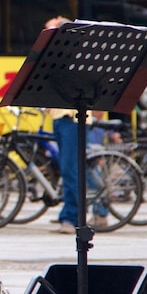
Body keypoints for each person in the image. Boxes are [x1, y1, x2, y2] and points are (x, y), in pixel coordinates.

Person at [42, 16, 107, 234]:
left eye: (50, 32)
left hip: (72, 119)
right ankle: (93, 210)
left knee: (72, 170)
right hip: (61, 119)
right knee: (74, 169)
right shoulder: (56, 57)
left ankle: (72, 217)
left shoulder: (74, 56)